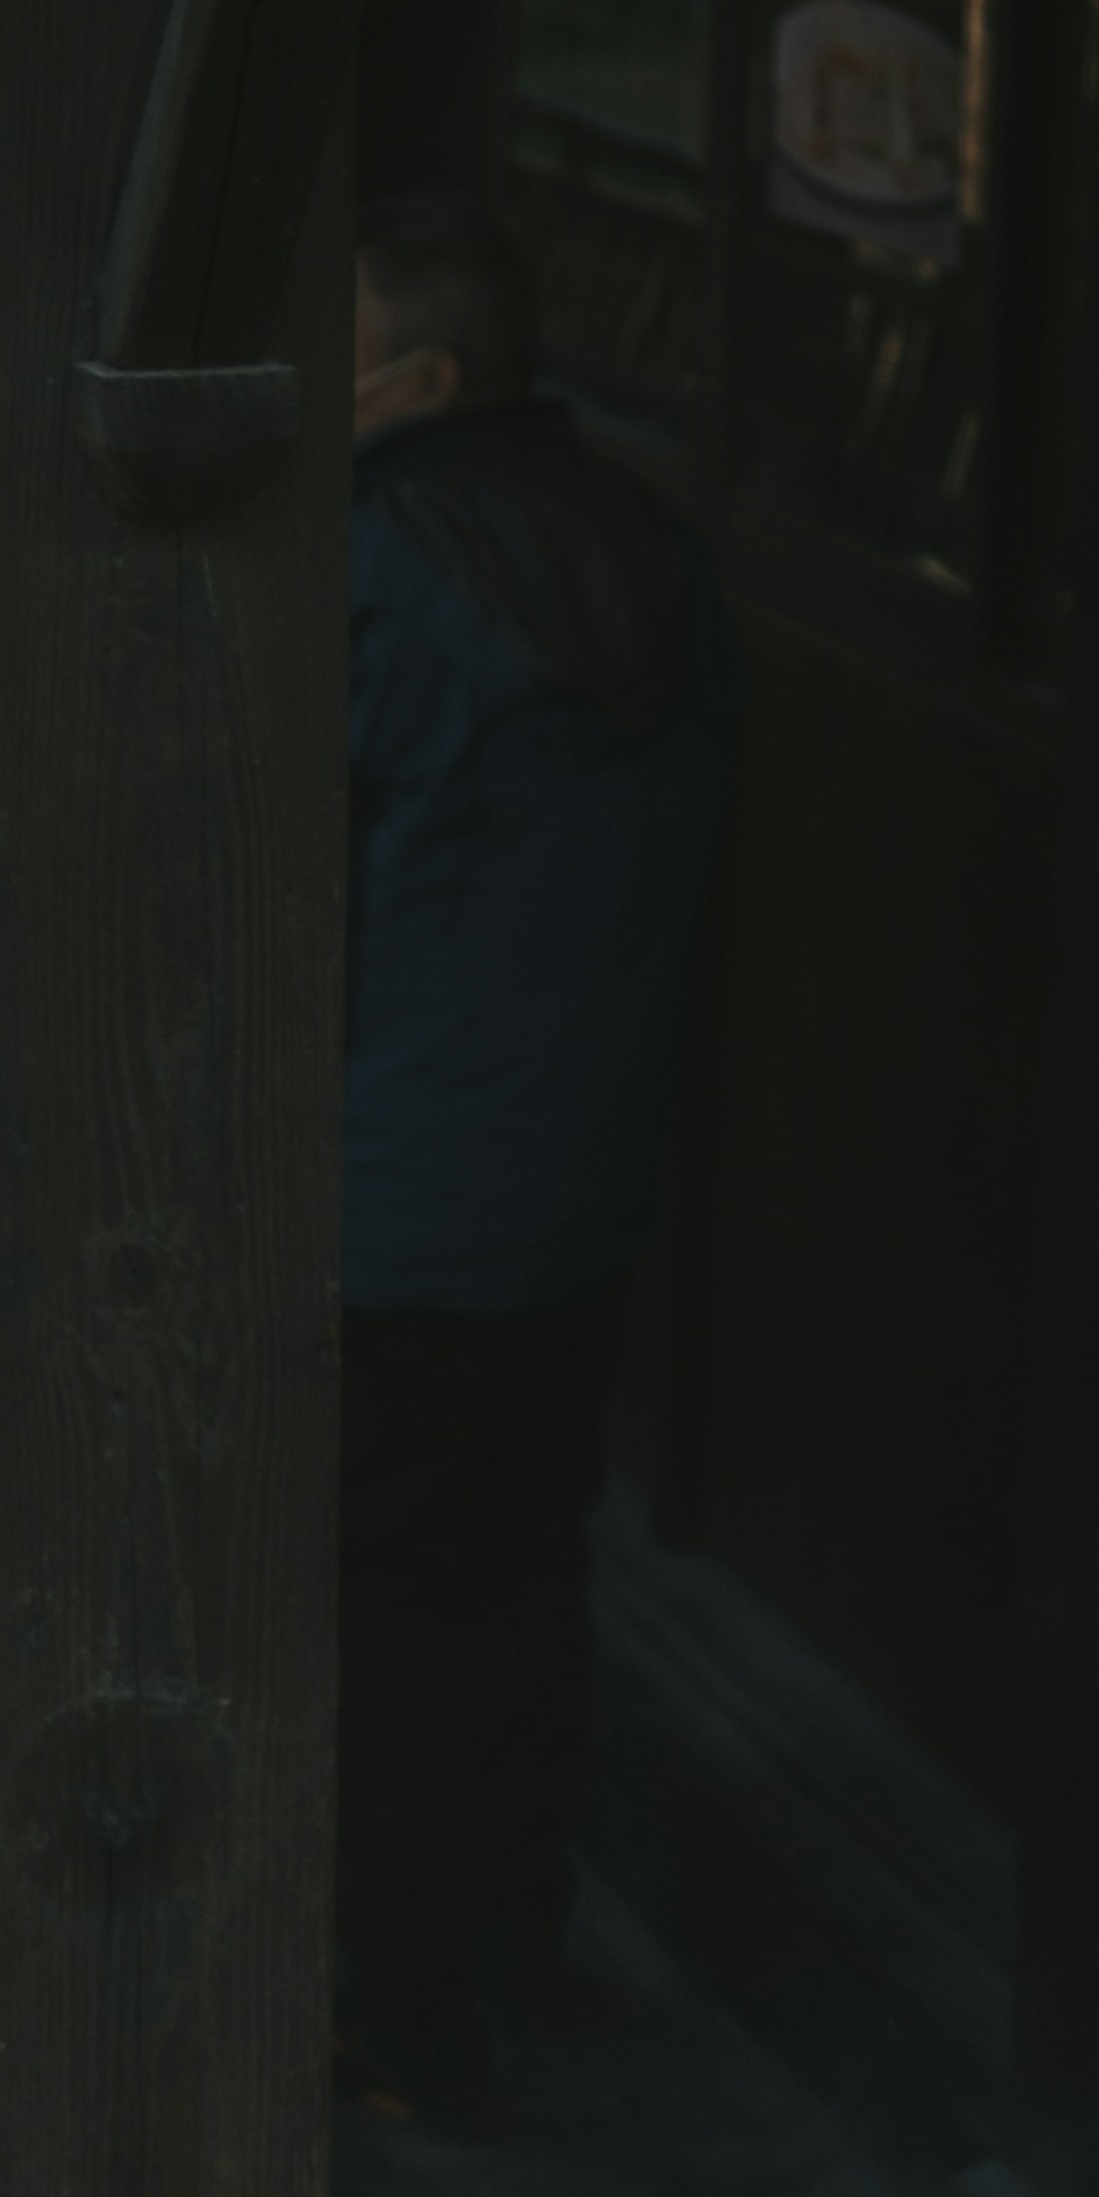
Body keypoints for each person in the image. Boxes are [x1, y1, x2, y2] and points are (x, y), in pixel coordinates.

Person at [340, 198, 732, 2100]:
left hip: (392, 1209)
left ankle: (390, 2008)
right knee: (521, 1578)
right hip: (577, 1196)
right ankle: (513, 1948)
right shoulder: (655, 553)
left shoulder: (368, 572)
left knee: (377, 1612)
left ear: (419, 378)